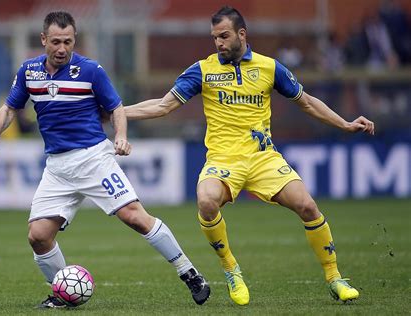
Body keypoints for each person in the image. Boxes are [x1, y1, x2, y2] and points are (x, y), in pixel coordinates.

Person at [124, 6, 375, 306]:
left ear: (242, 34)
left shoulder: (269, 67)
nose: (218, 43)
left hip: (263, 159)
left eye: (224, 36)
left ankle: (336, 278)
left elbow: (306, 102)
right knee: (206, 201)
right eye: (215, 37)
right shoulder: (203, 70)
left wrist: (345, 124)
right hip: (223, 159)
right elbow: (163, 106)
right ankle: (231, 269)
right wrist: (116, 112)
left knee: (308, 206)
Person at [0, 11, 210, 308]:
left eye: (68, 42)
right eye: (56, 42)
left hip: (93, 159)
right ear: (43, 40)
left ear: (75, 40)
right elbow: (10, 107)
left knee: (135, 217)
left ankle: (189, 272)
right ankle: (63, 293)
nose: (62, 49)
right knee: (38, 236)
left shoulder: (90, 71)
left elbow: (116, 108)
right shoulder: (28, 71)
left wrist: (121, 137)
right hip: (57, 168)